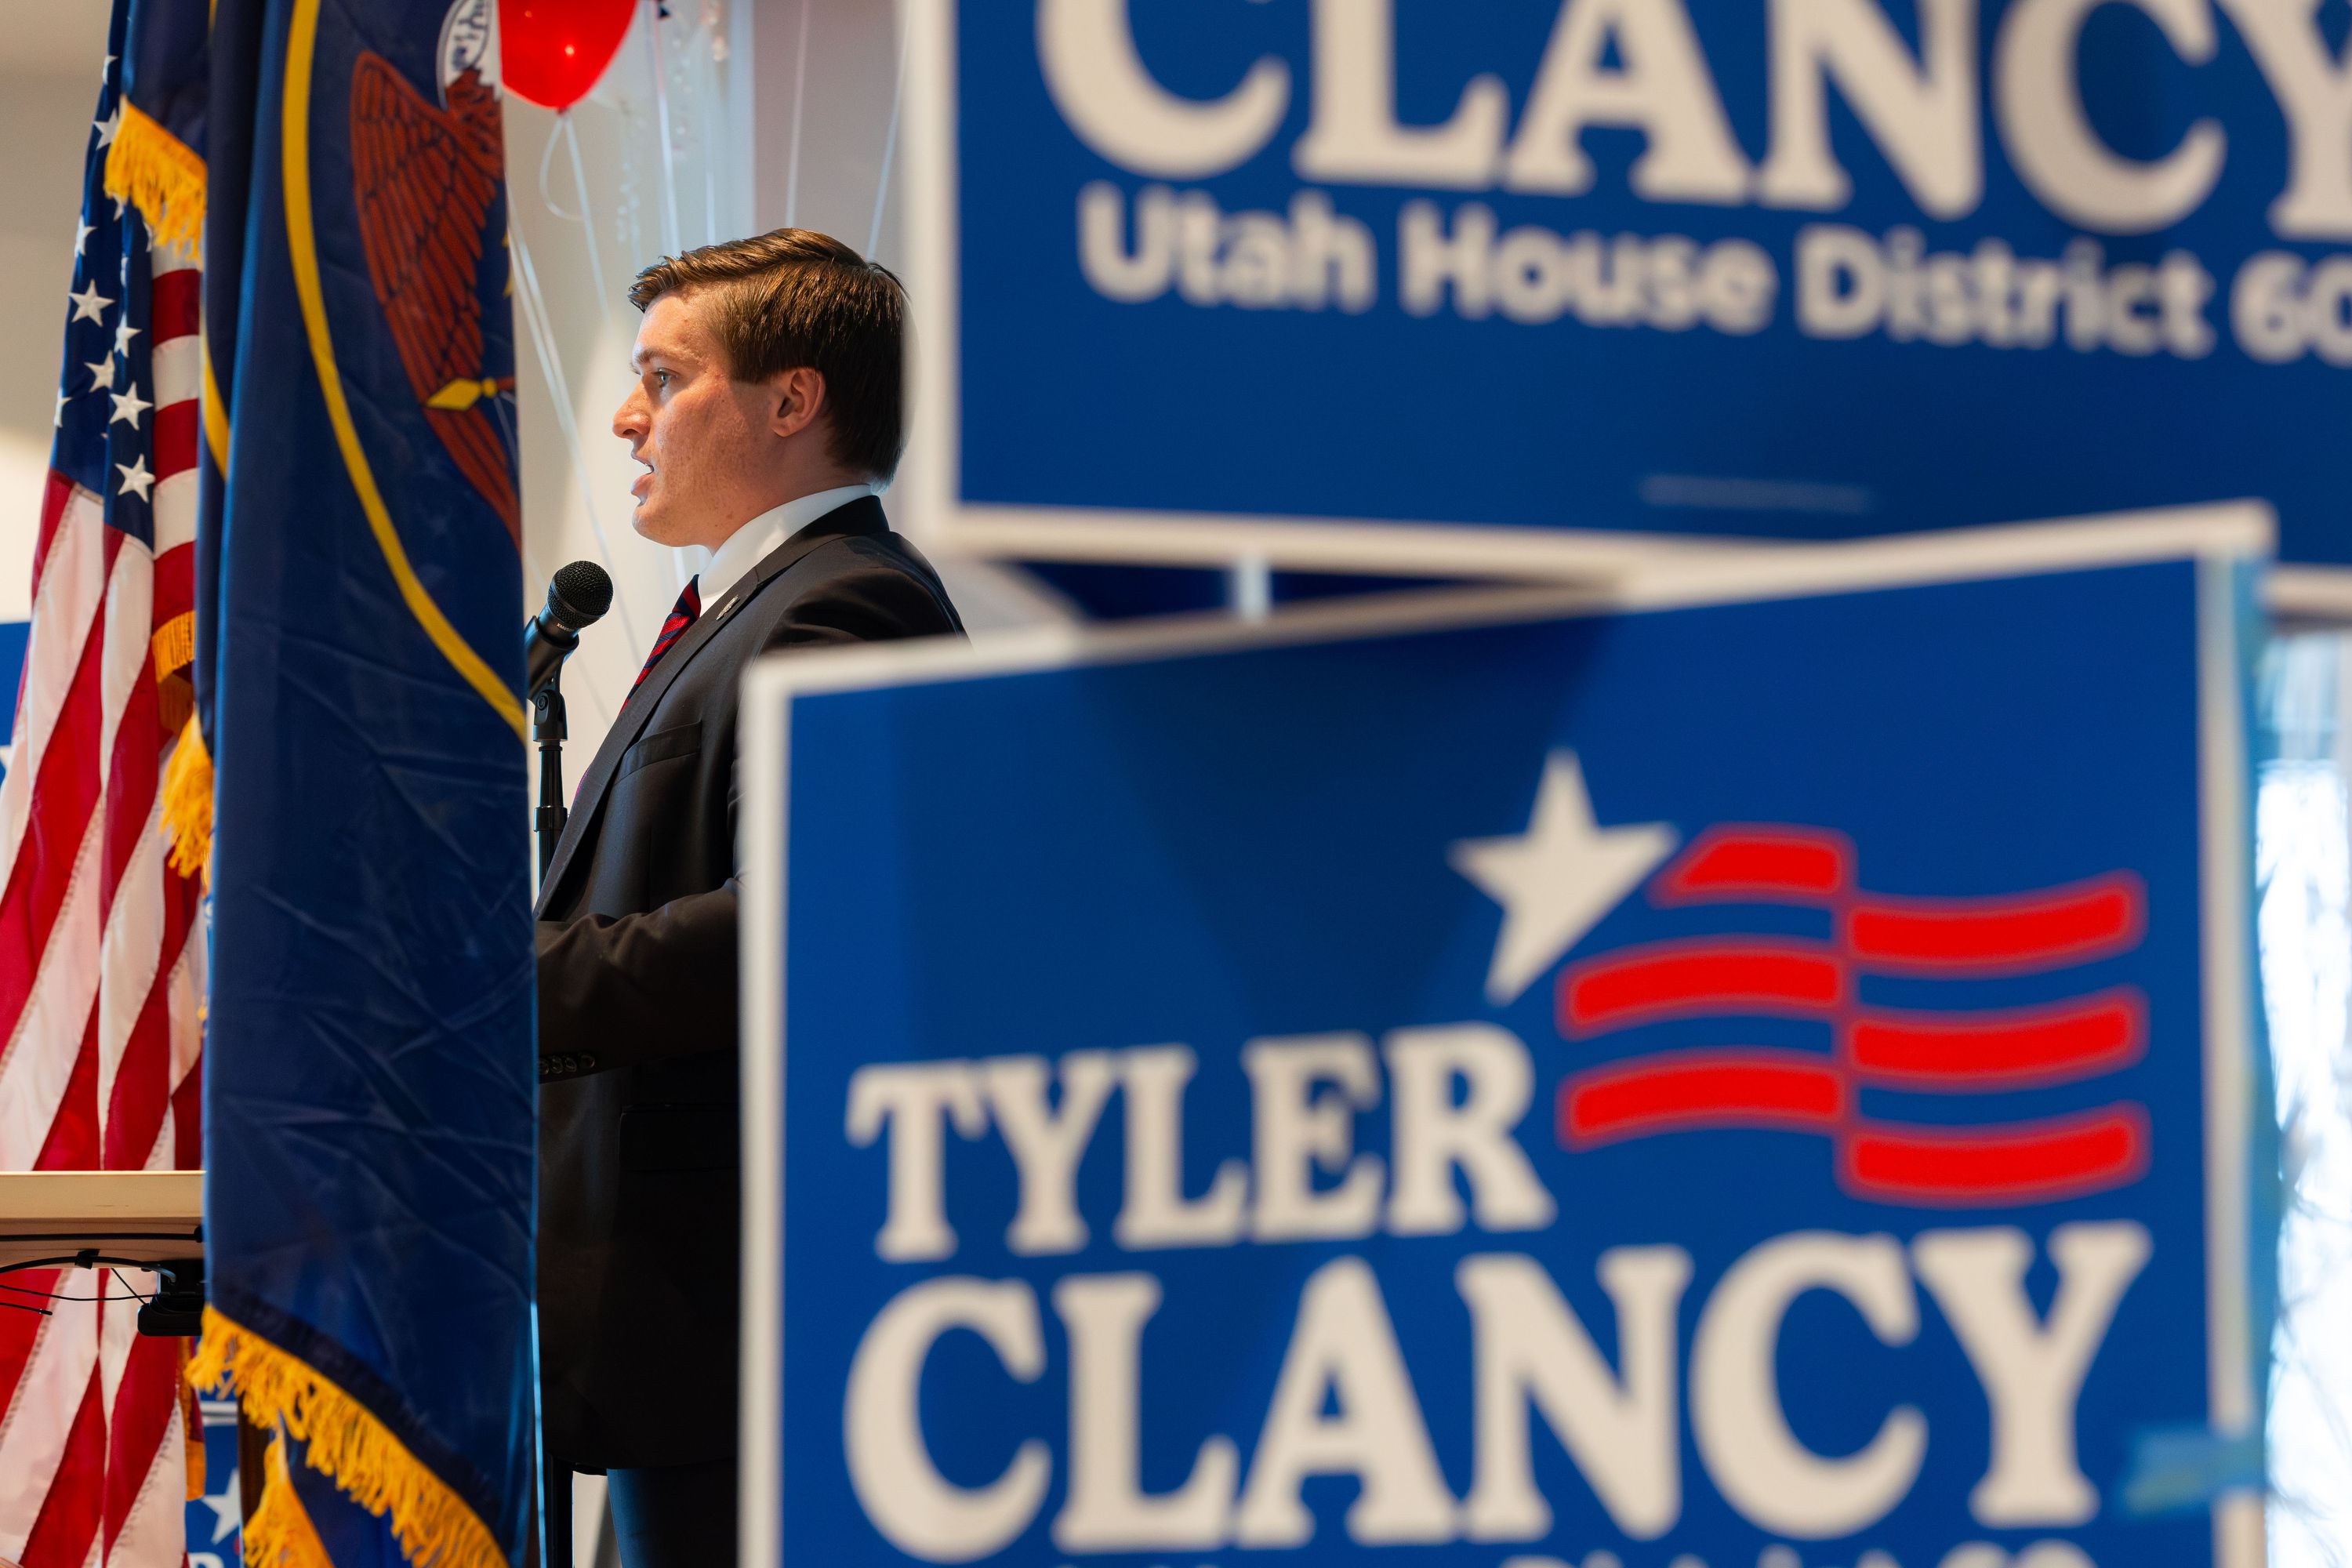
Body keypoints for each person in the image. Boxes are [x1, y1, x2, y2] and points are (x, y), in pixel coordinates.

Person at [533, 229, 963, 1566]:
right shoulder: (747, 608)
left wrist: (488, 986)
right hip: (668, 1355)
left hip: (740, 1333)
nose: (625, 413)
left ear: (793, 401)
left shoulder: (848, 607)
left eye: (664, 378)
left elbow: (801, 929)